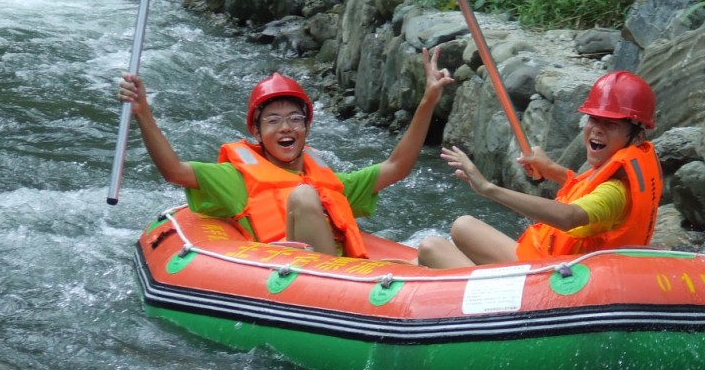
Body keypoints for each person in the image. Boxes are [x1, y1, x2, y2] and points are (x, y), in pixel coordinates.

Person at [116, 48, 454, 257]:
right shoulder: (235, 177)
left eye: (295, 119)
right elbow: (174, 170)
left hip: (355, 277)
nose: (286, 128)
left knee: (435, 247)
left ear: (307, 128)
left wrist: (428, 102)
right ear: (257, 132)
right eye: (273, 121)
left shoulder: (329, 181)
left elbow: (397, 167)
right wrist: (143, 112)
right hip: (302, 276)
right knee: (304, 196)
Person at [417, 70, 662, 268]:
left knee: (431, 247)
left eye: (610, 124)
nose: (597, 129)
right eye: (593, 120)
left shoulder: (615, 192)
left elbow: (569, 217)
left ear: (638, 137)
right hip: (546, 262)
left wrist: (486, 188)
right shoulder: (615, 175)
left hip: (557, 283)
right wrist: (552, 169)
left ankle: (477, 299)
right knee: (463, 225)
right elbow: (585, 191)